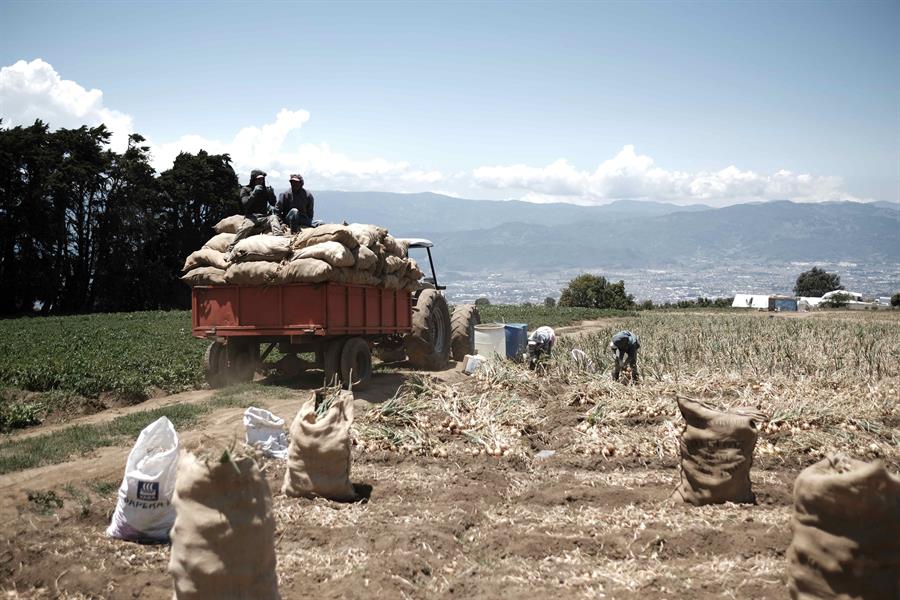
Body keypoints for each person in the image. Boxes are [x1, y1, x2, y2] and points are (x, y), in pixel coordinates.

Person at [226, 170, 283, 253]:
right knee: (246, 227)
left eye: (262, 179)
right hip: (251, 217)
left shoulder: (265, 190)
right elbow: (245, 204)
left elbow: (273, 203)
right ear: (253, 180)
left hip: (264, 218)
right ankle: (231, 248)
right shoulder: (245, 189)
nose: (261, 181)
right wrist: (254, 193)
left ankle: (279, 239)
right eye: (258, 179)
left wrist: (271, 194)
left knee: (273, 217)